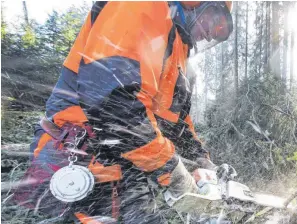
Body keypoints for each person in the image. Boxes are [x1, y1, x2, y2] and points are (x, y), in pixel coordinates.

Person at [12, 1, 233, 223]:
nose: (209, 34)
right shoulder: (142, 7)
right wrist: (173, 172)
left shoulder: (177, 47)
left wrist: (202, 161)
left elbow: (174, 123)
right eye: (215, 20)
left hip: (124, 160)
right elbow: (115, 106)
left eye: (219, 32)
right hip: (83, 154)